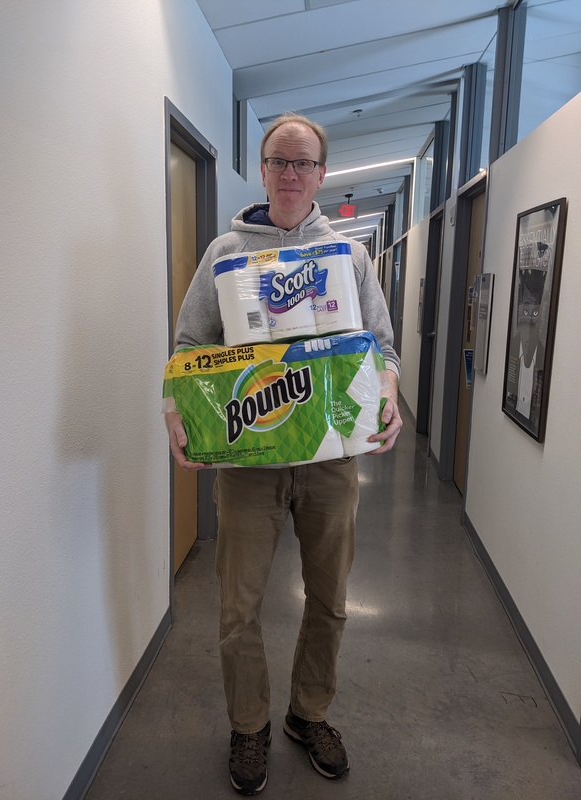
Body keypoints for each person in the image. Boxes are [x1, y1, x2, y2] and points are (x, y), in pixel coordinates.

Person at [165, 113, 402, 796]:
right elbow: (188, 347)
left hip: (331, 459)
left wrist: (388, 388)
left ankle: (309, 714)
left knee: (329, 601)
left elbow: (381, 346)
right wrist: (177, 411)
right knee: (238, 609)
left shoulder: (349, 258)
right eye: (279, 161)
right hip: (247, 464)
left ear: (323, 174)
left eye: (304, 164)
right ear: (262, 170)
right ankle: (248, 726)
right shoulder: (225, 254)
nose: (291, 175)